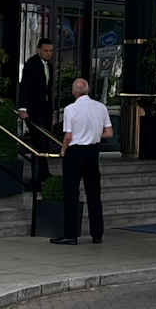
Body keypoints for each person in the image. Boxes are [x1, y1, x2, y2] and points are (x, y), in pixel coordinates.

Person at [53, 76, 110, 245]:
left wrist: (63, 150)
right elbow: (109, 133)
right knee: (94, 193)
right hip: (92, 151)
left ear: (74, 92)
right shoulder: (101, 107)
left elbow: (68, 136)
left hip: (75, 152)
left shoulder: (70, 109)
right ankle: (97, 234)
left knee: (71, 193)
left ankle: (71, 235)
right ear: (88, 90)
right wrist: (93, 134)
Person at [18, 36, 58, 183]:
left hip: (45, 109)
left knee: (44, 141)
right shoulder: (32, 64)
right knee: (39, 141)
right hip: (33, 110)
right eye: (46, 50)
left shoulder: (49, 66)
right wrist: (23, 108)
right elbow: (24, 87)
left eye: (51, 51)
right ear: (38, 50)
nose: (49, 53)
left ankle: (42, 174)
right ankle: (41, 175)